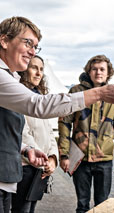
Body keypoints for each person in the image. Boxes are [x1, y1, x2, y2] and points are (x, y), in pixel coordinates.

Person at [0, 16, 114, 213]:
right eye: (28, 42)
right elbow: (39, 106)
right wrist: (100, 93)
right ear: (4, 40)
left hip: (11, 174)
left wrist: (25, 149)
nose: (32, 51)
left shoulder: (10, 79)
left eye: (36, 46)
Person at [58, 55, 114, 213]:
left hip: (104, 159)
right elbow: (64, 123)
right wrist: (64, 155)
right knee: (82, 204)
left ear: (108, 72)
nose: (98, 72)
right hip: (81, 157)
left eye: (102, 69)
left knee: (102, 205)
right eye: (94, 69)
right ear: (88, 71)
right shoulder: (76, 92)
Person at [11, 55, 59, 212]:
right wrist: (42, 159)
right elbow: (22, 133)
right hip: (25, 166)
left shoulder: (40, 97)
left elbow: (49, 133)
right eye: (34, 68)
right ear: (24, 69)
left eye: (41, 69)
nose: (39, 73)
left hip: (39, 167)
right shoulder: (17, 96)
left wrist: (52, 158)